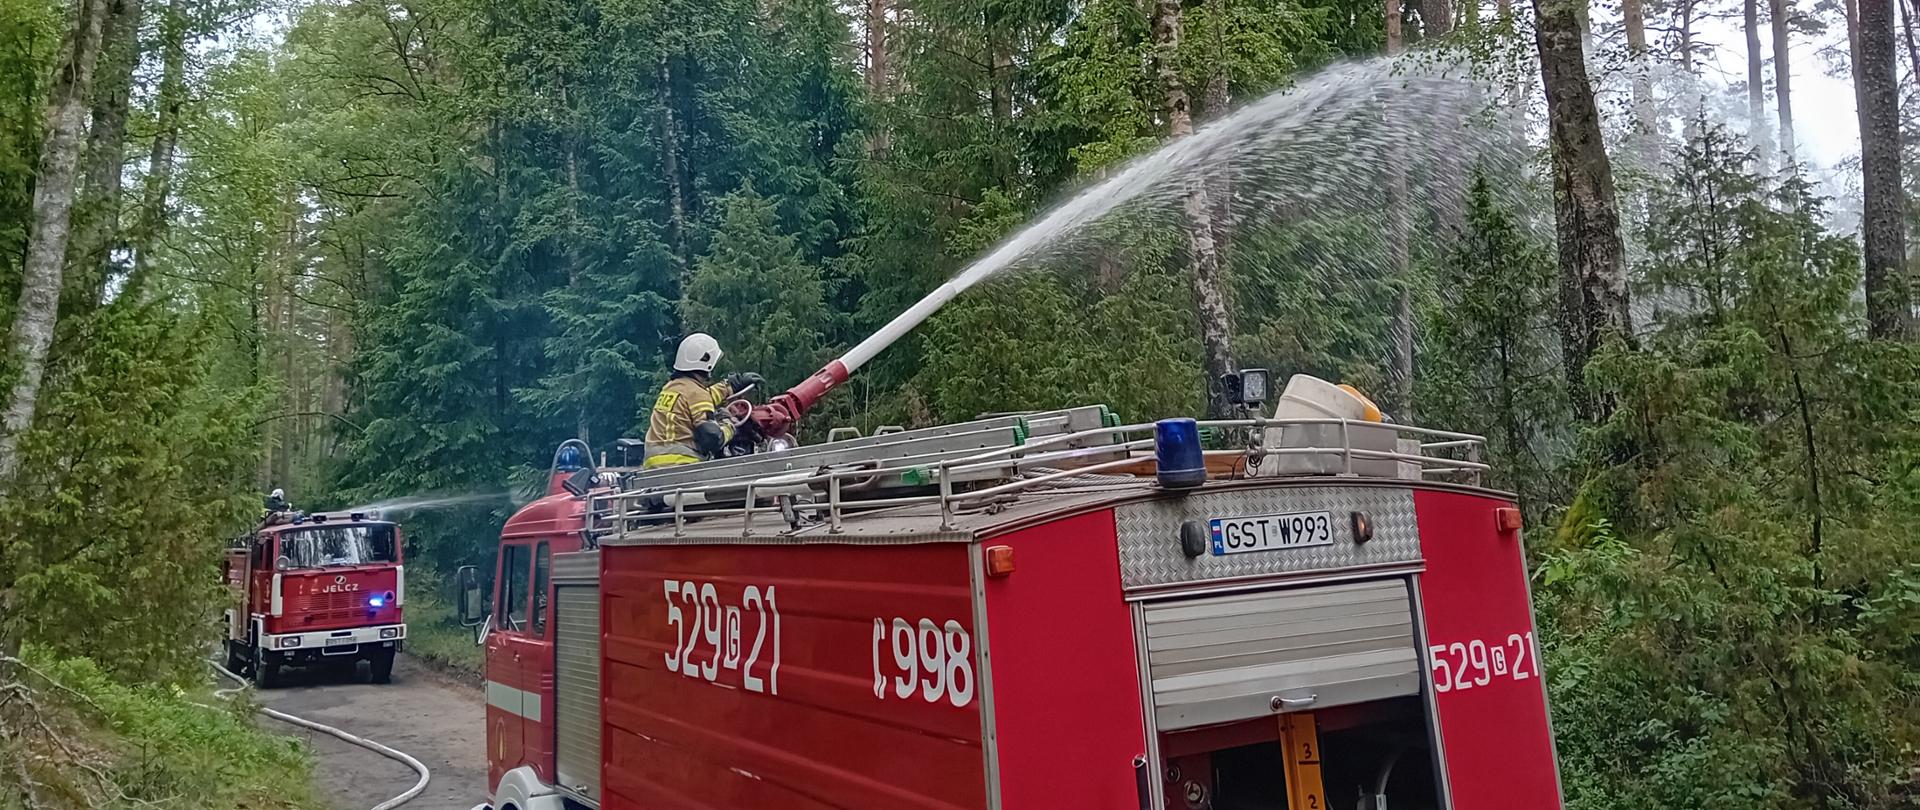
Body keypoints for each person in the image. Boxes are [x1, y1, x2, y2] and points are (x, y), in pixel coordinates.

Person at [642, 334, 765, 469]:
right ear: (707, 361)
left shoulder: (671, 388)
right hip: (681, 464)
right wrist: (730, 425)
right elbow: (712, 439)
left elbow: (700, 398)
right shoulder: (696, 393)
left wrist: (730, 386)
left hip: (652, 465)